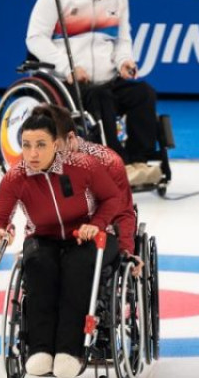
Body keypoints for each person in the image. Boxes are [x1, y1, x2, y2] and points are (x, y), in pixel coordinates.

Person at [0, 106, 123, 378]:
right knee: (38, 264)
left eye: (40, 145)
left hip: (88, 237)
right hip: (44, 238)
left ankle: (69, 351)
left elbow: (113, 198)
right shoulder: (16, 177)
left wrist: (95, 225)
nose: (33, 153)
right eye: (26, 145)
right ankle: (40, 350)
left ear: (56, 144)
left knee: (77, 267)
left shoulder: (82, 165)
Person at [26, 0, 163, 187]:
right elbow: (35, 39)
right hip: (68, 80)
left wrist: (124, 60)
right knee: (101, 97)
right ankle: (118, 163)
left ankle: (139, 161)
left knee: (143, 93)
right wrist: (67, 67)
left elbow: (122, 41)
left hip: (107, 78)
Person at [43, 103, 145, 276]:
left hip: (99, 239)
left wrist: (126, 251)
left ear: (71, 139)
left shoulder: (108, 162)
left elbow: (123, 213)